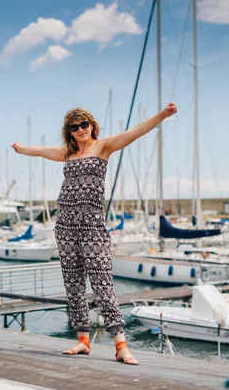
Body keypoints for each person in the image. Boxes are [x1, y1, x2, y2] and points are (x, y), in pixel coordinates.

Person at [12, 102, 178, 365]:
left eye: (84, 124)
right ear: (69, 131)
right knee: (73, 282)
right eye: (74, 126)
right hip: (66, 224)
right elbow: (42, 151)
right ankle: (83, 340)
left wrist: (162, 115)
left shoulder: (104, 147)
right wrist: (22, 149)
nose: (80, 129)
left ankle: (121, 345)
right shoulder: (68, 153)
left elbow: (135, 131)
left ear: (92, 126)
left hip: (92, 225)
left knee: (102, 282)